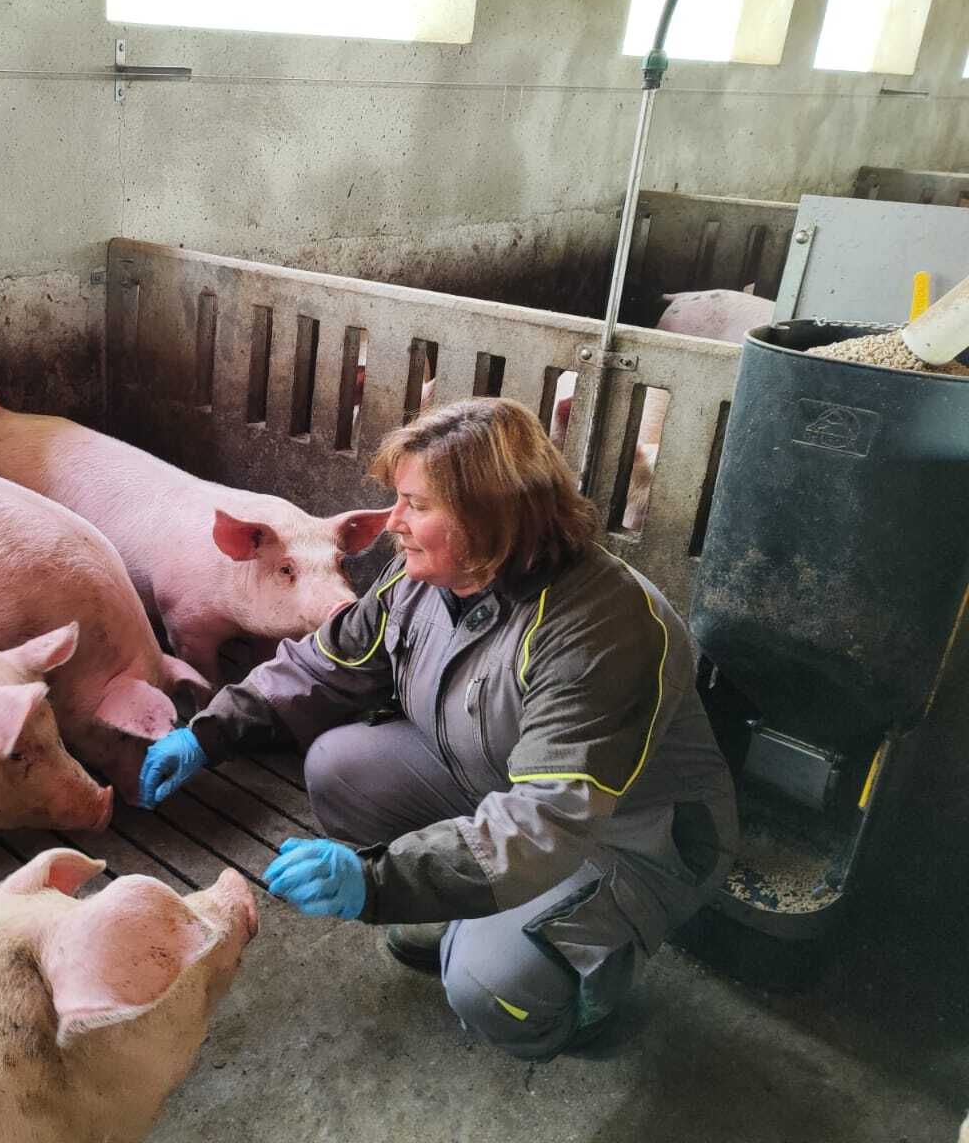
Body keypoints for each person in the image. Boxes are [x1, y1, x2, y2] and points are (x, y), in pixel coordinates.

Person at [138, 396, 738, 1059]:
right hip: (501, 780)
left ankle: (581, 997)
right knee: (340, 767)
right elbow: (328, 660)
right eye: (399, 499)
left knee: (489, 985)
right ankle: (472, 900)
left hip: (623, 836)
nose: (394, 522)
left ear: (490, 515)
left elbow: (547, 821)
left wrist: (379, 881)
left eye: (416, 505)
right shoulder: (428, 573)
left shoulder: (599, 628)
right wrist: (210, 732)